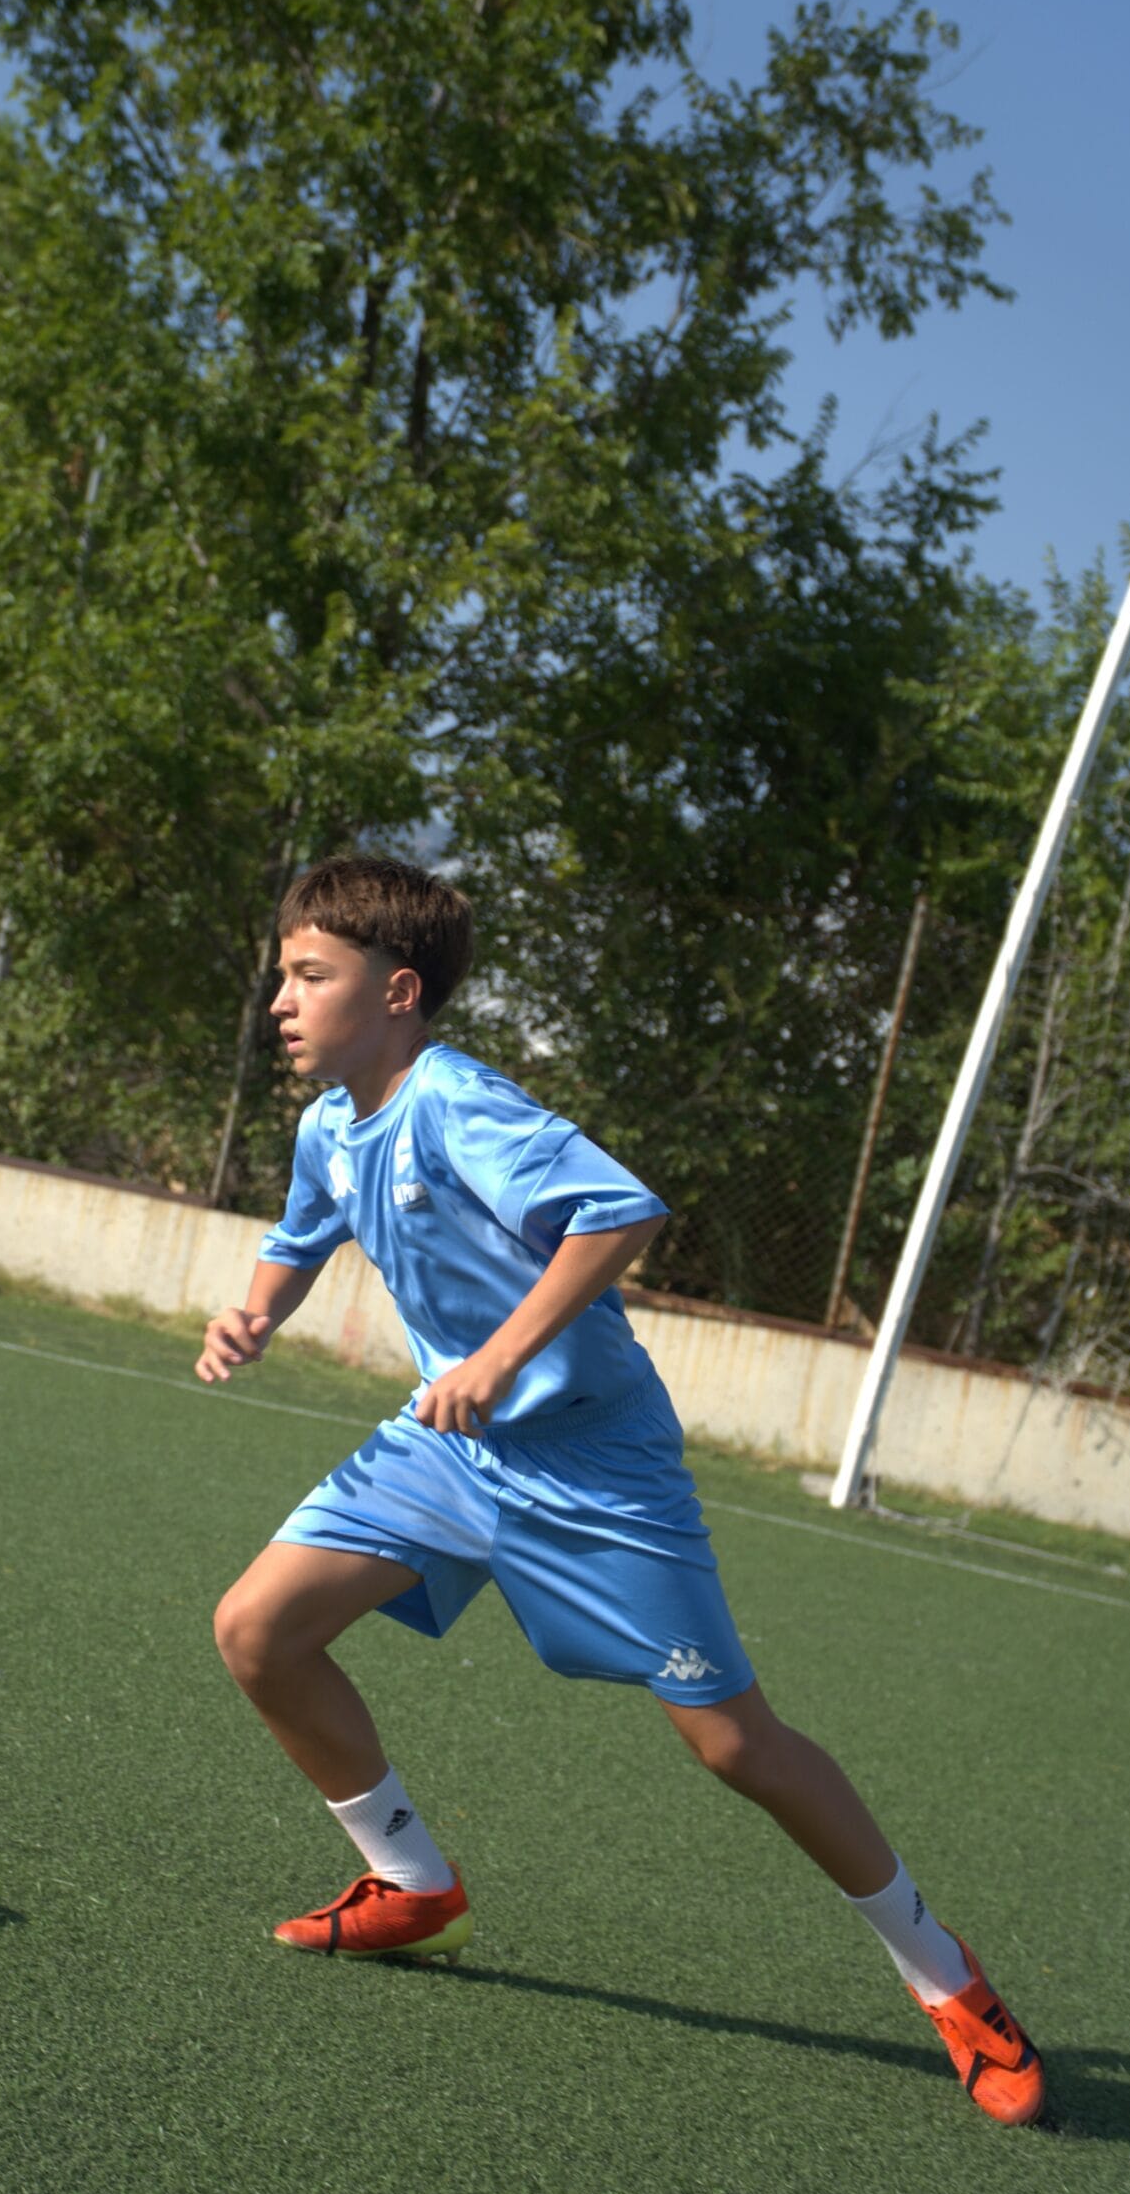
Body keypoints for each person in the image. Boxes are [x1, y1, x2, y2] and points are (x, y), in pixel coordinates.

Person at [196, 855, 1044, 2127]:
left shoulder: (459, 1103)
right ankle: (412, 1882)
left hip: (594, 1466)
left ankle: (949, 1977)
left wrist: (494, 1356)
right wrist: (254, 1311)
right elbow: (304, 1229)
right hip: (451, 1452)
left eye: (311, 975)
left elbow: (615, 1209)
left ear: (399, 990)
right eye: (283, 974)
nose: (283, 998)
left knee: (733, 1742)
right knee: (258, 1628)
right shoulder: (330, 1125)